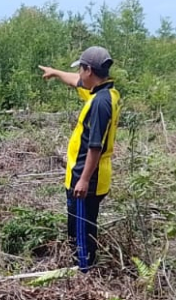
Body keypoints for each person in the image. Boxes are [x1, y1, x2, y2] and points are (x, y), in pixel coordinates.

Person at [39, 46, 120, 273]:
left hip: (88, 178)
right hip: (91, 174)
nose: (79, 74)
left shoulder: (100, 103)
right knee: (80, 226)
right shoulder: (106, 93)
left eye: (81, 69)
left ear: (89, 70)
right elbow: (76, 81)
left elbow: (95, 146)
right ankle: (82, 267)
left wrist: (83, 180)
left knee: (82, 231)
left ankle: (84, 273)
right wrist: (55, 72)